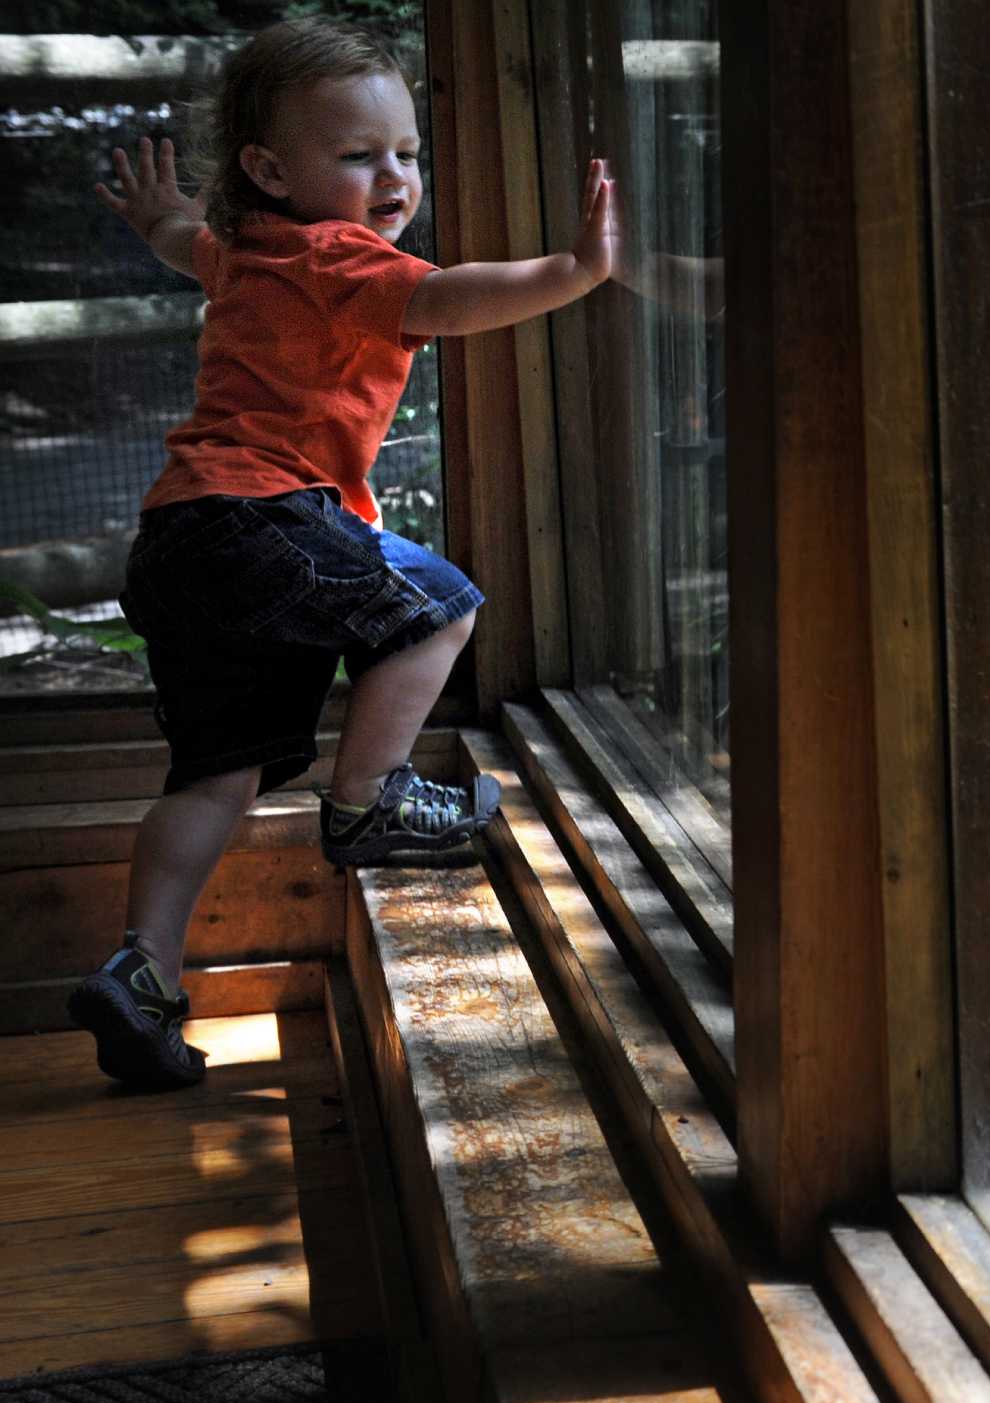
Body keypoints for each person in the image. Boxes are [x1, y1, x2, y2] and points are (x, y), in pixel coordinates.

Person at [68, 18, 614, 1089]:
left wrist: (162, 221)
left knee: (213, 775)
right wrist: (574, 270)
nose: (394, 177)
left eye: (406, 153)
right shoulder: (340, 256)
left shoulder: (248, 251)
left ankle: (142, 972)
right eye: (359, 157)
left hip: (181, 537)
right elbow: (450, 299)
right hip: (262, 516)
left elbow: (191, 244)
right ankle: (370, 798)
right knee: (442, 601)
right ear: (271, 169)